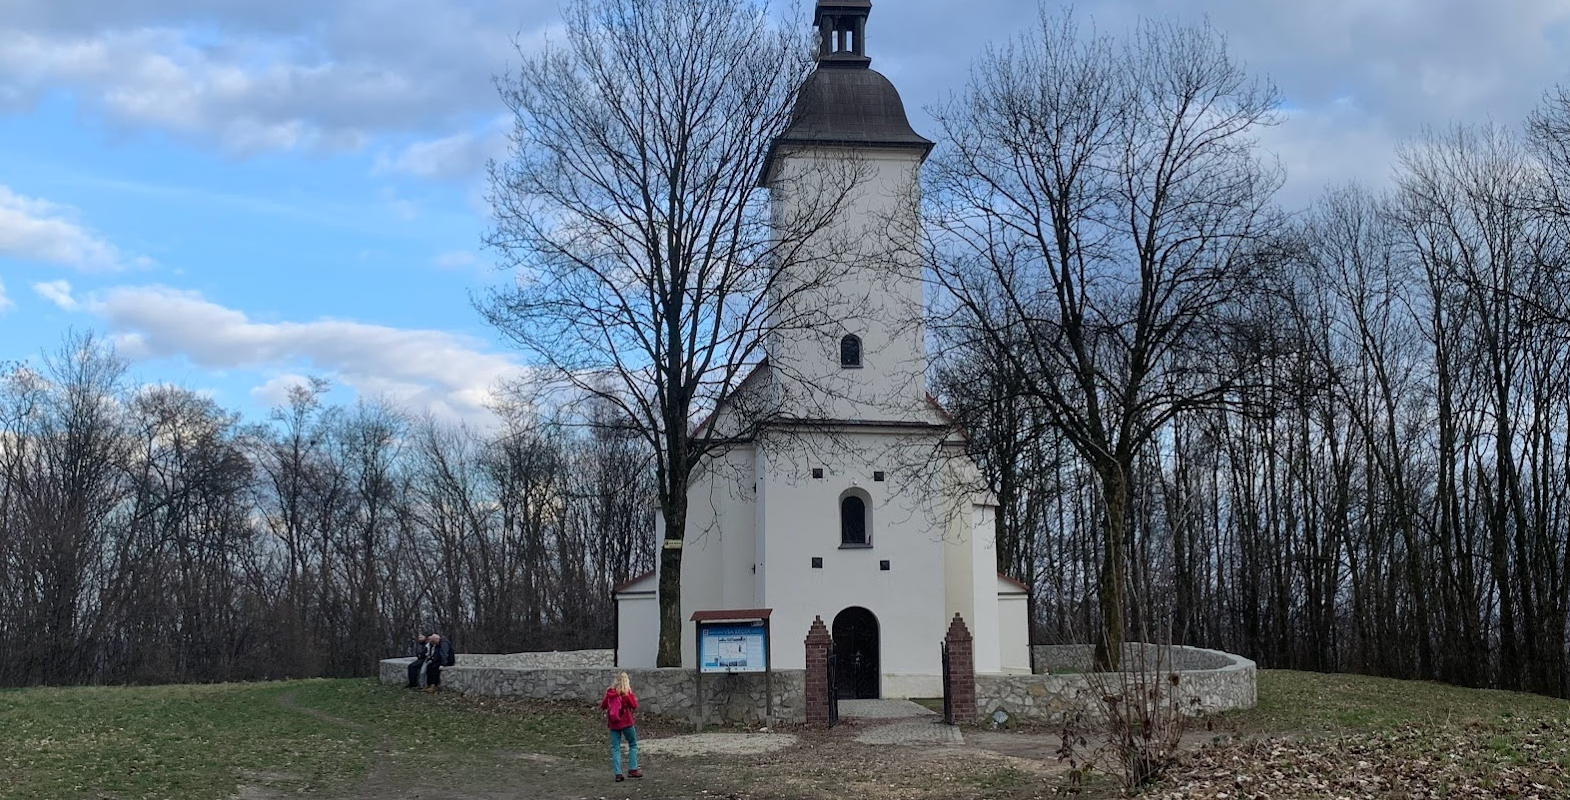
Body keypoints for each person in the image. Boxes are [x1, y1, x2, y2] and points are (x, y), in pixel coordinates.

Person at [599, 672, 641, 781]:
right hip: (626, 722)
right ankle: (632, 769)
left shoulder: (610, 693)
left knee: (616, 748)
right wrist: (629, 694)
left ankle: (618, 773)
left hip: (614, 724)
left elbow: (603, 706)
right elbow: (634, 706)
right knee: (632, 744)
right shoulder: (626, 694)